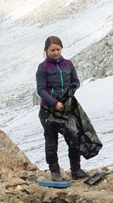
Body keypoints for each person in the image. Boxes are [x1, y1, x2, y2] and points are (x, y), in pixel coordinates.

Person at [35, 36, 88, 180]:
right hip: (48, 111)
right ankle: (55, 173)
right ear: (46, 50)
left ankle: (76, 170)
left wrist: (69, 94)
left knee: (74, 137)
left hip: (66, 109)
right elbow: (41, 90)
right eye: (52, 50)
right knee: (51, 141)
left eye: (58, 49)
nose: (56, 52)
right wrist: (55, 103)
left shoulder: (68, 64)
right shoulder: (43, 67)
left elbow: (75, 81)